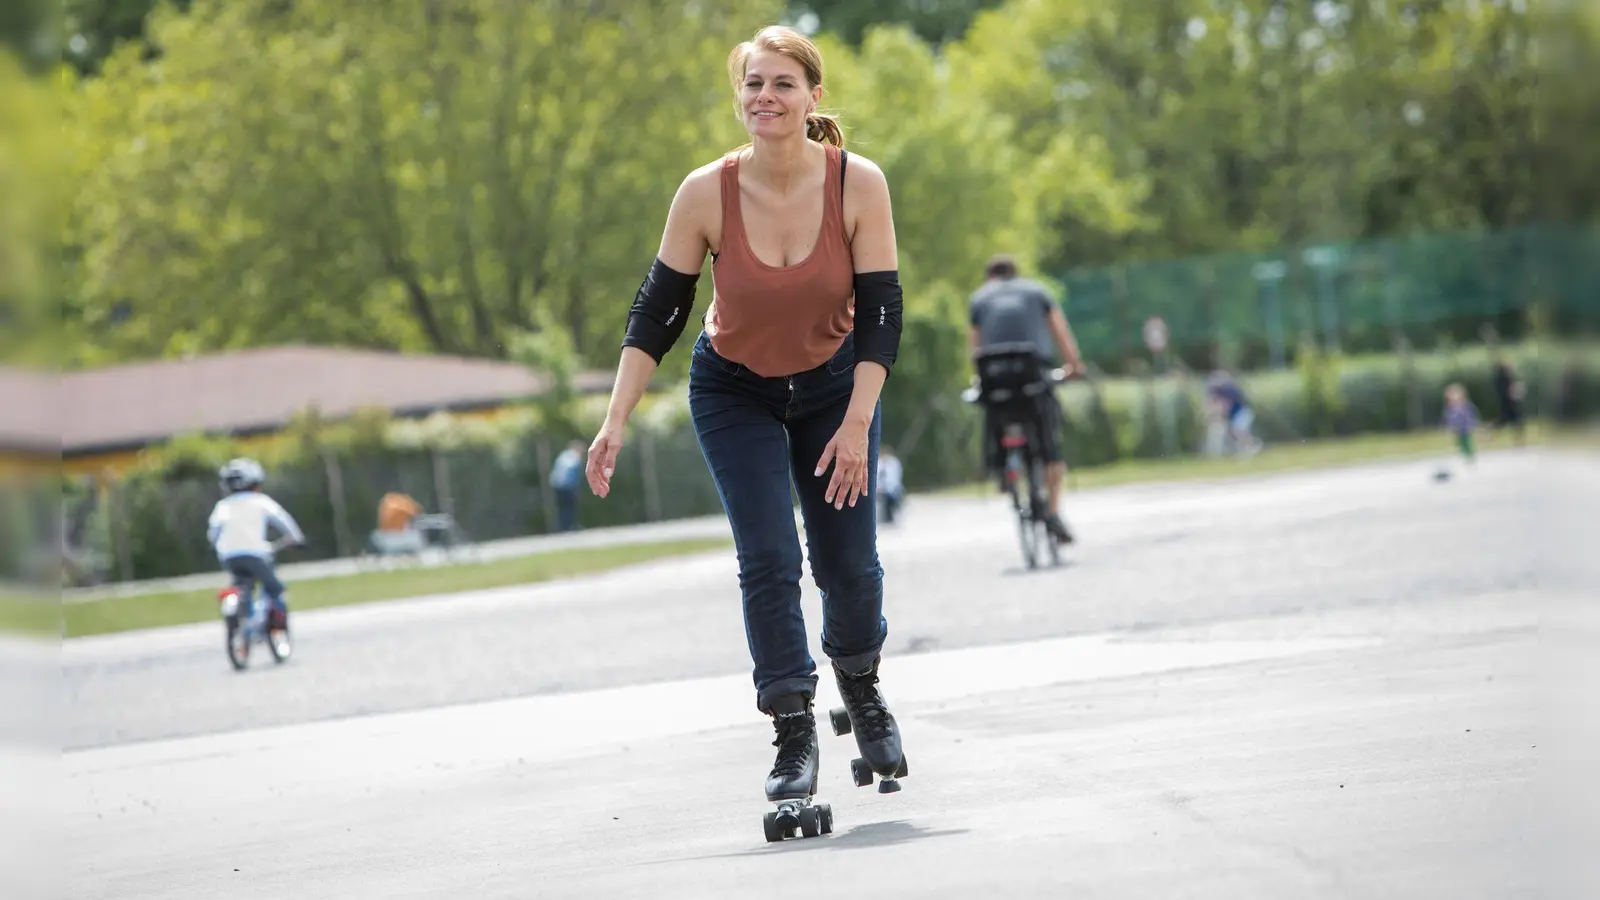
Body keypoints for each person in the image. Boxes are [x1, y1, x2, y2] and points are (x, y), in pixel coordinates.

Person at [584, 25, 909, 811]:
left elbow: (882, 312)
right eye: (752, 84)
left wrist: (860, 421)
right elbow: (658, 312)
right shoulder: (706, 192)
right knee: (768, 558)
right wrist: (615, 418)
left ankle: (860, 686)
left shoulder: (857, 184)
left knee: (850, 568)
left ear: (812, 98)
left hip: (836, 392)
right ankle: (793, 730)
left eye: (782, 84)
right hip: (736, 393)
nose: (765, 97)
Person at [968, 254, 1085, 545]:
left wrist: (979, 377)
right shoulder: (1037, 291)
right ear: (1015, 274)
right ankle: (1053, 512)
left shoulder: (979, 299)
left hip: (996, 382)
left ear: (990, 277)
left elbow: (975, 345)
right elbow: (1061, 332)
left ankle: (1000, 467)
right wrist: (1073, 366)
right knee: (1051, 448)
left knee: (993, 409)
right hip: (1034, 379)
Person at [207, 457, 304, 635]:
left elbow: (213, 532)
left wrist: (213, 544)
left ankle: (243, 618)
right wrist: (297, 538)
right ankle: (276, 625)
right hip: (255, 554)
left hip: (228, 557)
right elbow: (283, 520)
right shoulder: (260, 501)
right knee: (275, 588)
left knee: (242, 586)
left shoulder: (222, 506)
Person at [1204, 369, 1262, 457]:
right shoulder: (1220, 391)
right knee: (1236, 433)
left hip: (1242, 412)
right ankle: (1247, 449)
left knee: (1239, 431)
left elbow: (1226, 407)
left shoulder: (1229, 391)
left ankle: (1251, 447)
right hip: (1237, 414)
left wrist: (1218, 411)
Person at [549, 441, 585, 532]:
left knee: (562, 507)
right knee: (569, 507)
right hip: (568, 486)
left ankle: (563, 527)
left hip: (557, 485)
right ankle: (569, 526)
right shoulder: (575, 458)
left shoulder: (563, 456)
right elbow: (573, 474)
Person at [1443, 382, 1481, 465]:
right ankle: (1465, 454)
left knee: (1467, 440)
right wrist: (1450, 426)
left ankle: (1470, 455)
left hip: (1465, 426)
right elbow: (1449, 418)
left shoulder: (1466, 406)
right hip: (1457, 428)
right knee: (1460, 441)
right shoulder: (1451, 408)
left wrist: (1472, 424)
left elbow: (1470, 415)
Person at [876, 445, 905, 525]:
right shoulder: (880, 463)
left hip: (892, 487)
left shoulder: (893, 463)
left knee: (893, 495)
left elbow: (895, 477)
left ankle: (891, 515)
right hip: (881, 488)